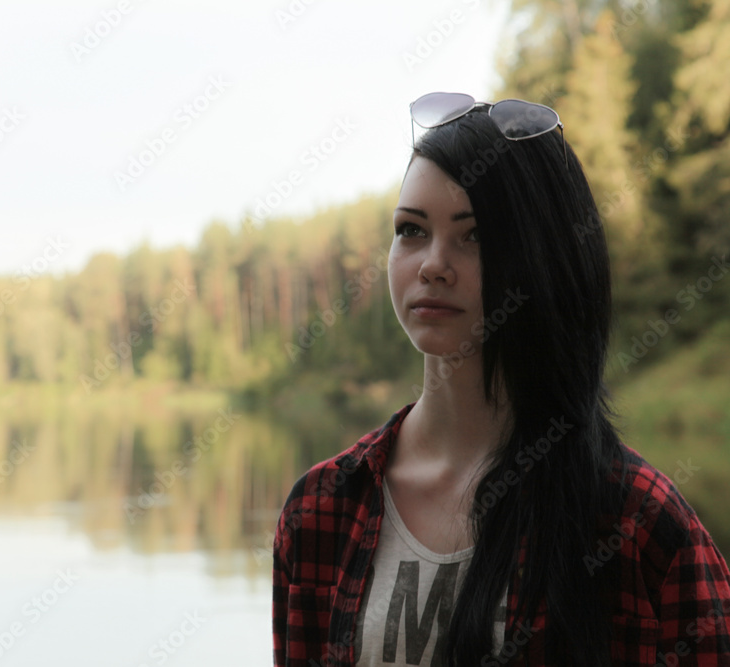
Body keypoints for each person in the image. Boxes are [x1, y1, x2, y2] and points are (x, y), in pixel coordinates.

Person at [272, 92, 730, 667]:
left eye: (475, 235)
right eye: (411, 230)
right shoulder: (320, 512)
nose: (432, 263)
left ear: (544, 257)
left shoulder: (638, 525)